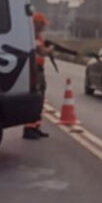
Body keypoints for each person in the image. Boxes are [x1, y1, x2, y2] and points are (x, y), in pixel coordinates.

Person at [24, 12, 78, 140]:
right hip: (34, 70)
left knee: (40, 97)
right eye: (42, 24)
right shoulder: (31, 36)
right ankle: (29, 128)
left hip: (38, 69)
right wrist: (50, 50)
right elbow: (41, 51)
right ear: (36, 24)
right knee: (36, 97)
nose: (44, 27)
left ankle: (35, 126)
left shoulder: (38, 36)